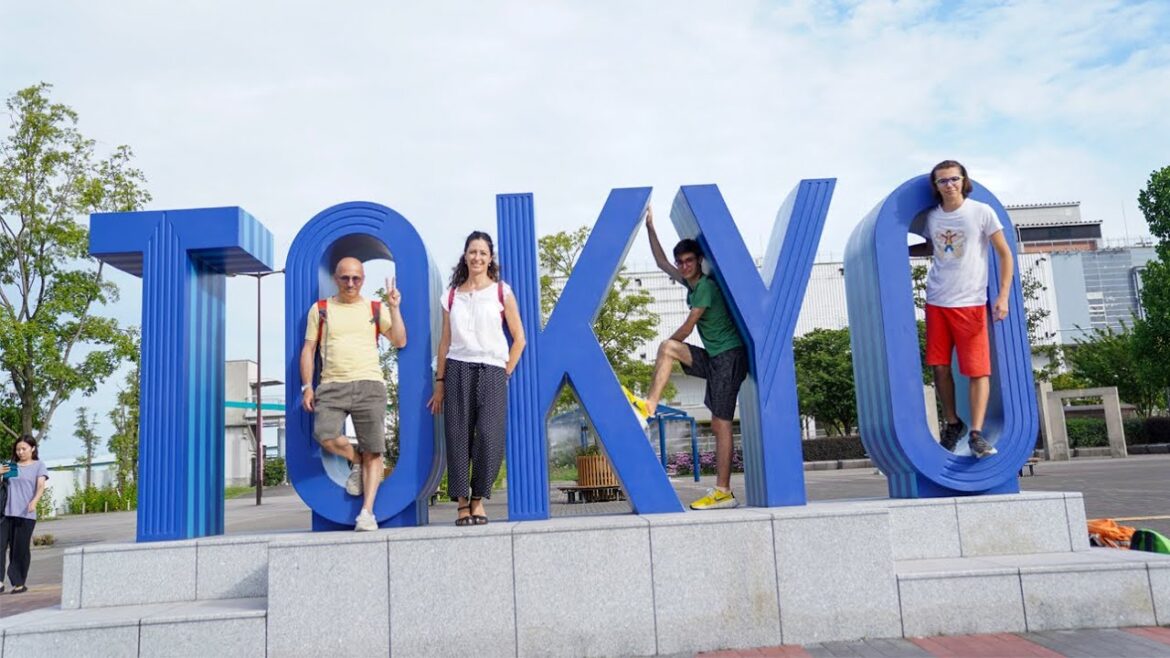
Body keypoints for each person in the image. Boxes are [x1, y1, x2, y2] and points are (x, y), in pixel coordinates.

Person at [643, 206, 749, 510]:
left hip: (729, 356)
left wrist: (671, 344)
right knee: (667, 348)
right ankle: (649, 406)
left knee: (720, 423)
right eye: (682, 262)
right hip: (715, 358)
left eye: (689, 261)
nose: (684, 265)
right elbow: (662, 262)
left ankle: (724, 492)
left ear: (699, 261)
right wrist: (651, 226)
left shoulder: (705, 287)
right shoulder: (690, 283)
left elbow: (689, 328)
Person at [910, 160, 1013, 458]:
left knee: (978, 370)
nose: (949, 185)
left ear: (964, 180)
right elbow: (933, 247)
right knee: (939, 366)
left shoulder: (981, 212)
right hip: (937, 300)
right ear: (936, 186)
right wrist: (896, 250)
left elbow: (1005, 254)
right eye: (942, 181)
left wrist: (1002, 296)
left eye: (954, 179)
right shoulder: (932, 217)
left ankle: (977, 434)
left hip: (971, 302)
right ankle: (954, 422)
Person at [300, 257, 406, 531]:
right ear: (336, 278)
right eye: (345, 278)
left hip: (370, 384)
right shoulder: (321, 309)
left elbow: (399, 340)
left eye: (356, 278)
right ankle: (356, 460)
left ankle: (366, 513)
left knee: (375, 449)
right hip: (331, 385)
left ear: (363, 279)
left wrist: (394, 308)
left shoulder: (374, 307)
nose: (351, 283)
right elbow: (308, 349)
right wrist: (307, 386)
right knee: (325, 435)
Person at [427, 231, 526, 526]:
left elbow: (519, 338)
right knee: (457, 437)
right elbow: (444, 342)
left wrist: (505, 370)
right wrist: (440, 383)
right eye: (473, 252)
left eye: (483, 253)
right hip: (457, 368)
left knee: (488, 436)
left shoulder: (501, 292)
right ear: (465, 255)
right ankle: (461, 504)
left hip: (493, 370)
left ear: (490, 257)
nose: (477, 257)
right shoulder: (452, 295)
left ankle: (478, 499)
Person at [0, 435, 49, 594]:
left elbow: (40, 486)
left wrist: (34, 501)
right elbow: (3, 487)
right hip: (5, 514)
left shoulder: (38, 466)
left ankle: (19, 583)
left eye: (24, 449)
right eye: (18, 449)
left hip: (25, 514)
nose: (20, 452)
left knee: (19, 549)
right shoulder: (11, 466)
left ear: (33, 448)